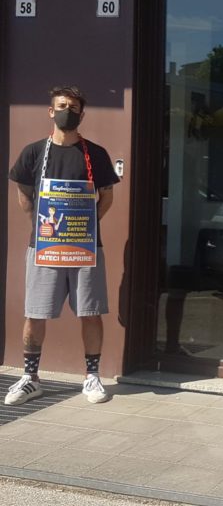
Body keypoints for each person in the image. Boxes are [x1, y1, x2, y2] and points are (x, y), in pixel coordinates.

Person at [6, 85, 120, 406]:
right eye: (61, 106)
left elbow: (106, 197)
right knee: (35, 312)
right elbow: (24, 195)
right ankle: (30, 378)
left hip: (86, 248)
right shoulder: (33, 153)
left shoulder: (95, 154)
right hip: (44, 247)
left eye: (73, 107)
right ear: (50, 111)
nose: (66, 111)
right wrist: (41, 226)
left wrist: (87, 224)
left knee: (90, 312)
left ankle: (92, 376)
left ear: (81, 115)